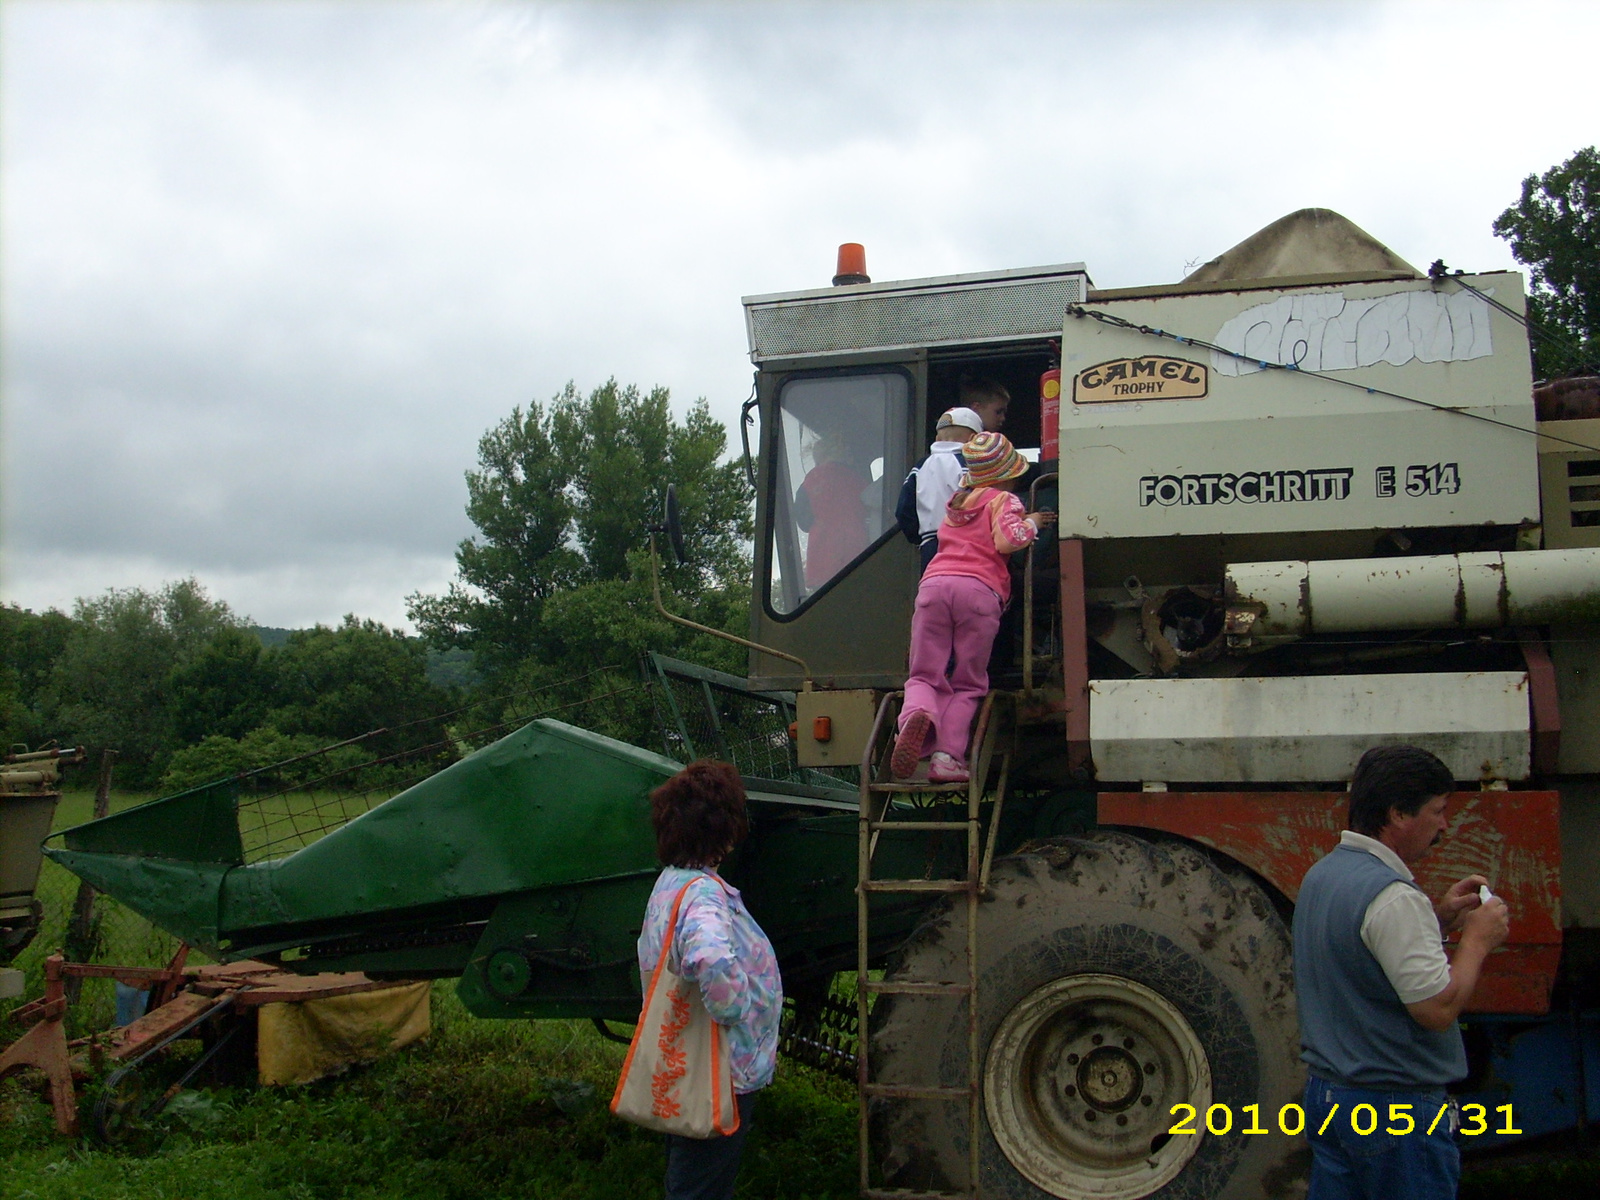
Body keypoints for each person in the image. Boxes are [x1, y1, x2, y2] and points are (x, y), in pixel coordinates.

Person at [1293, 744, 1511, 1200]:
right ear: (1397, 815)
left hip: (1328, 1097)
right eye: (1437, 811)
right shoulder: (1393, 898)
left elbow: (1359, 952)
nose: (1444, 825)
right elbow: (1436, 1009)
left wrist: (1437, 918)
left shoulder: (1324, 875)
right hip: (1393, 1110)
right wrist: (1476, 941)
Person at [639, 759, 783, 1200]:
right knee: (700, 1184)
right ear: (722, 829)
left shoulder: (671, 883)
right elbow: (710, 956)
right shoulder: (702, 894)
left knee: (689, 1167)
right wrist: (736, 1010)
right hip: (720, 1067)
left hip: (686, 1058)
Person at [891, 431, 1055, 783]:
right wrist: (1033, 522)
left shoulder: (957, 505)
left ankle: (915, 716)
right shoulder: (1004, 501)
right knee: (967, 684)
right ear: (1009, 475)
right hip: (978, 594)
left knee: (923, 674)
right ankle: (947, 756)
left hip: (934, 588)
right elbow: (1007, 540)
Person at [895, 406, 984, 571]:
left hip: (929, 546)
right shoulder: (969, 466)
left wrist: (918, 537)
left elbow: (903, 510)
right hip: (963, 544)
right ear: (974, 439)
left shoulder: (920, 467)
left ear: (937, 438)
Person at [794, 431, 871, 589]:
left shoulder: (810, 481)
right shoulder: (859, 481)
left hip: (822, 561)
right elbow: (872, 511)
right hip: (858, 555)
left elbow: (804, 522)